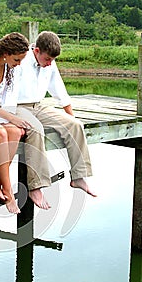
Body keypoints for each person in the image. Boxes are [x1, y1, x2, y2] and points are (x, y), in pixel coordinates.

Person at [0, 32, 51, 214]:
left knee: (16, 132)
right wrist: (10, 117)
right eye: (17, 59)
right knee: (1, 134)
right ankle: (8, 191)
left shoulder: (7, 66)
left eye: (22, 60)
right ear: (6, 52)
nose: (19, 63)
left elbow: (3, 99)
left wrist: (12, 117)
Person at [15, 31, 97, 197]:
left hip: (38, 106)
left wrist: (69, 117)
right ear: (36, 51)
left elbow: (59, 89)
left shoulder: (49, 63)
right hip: (17, 107)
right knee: (36, 129)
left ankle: (78, 177)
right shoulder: (20, 61)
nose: (49, 64)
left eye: (52, 60)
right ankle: (36, 187)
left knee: (76, 125)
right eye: (47, 59)